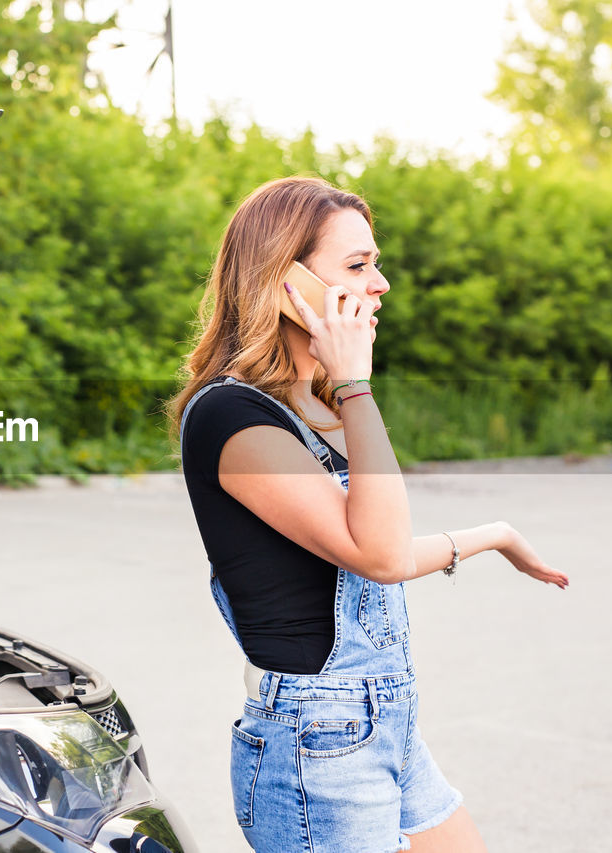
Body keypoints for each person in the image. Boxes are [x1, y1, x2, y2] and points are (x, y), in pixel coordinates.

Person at [171, 176, 568, 853]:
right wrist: (356, 382)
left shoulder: (314, 406)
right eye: (358, 266)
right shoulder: (231, 416)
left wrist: (491, 535)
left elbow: (369, 548)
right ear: (285, 277)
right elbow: (379, 555)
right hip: (316, 739)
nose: (380, 283)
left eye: (375, 262)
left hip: (387, 722)